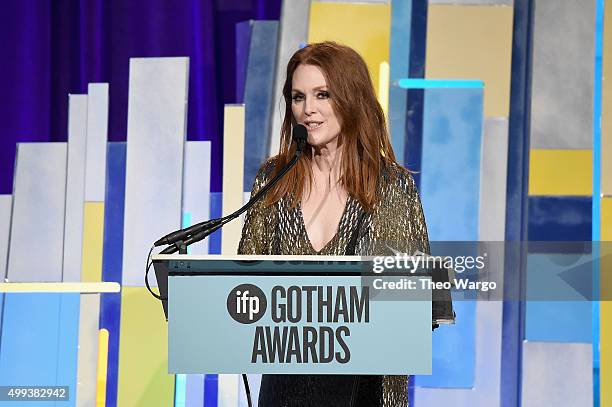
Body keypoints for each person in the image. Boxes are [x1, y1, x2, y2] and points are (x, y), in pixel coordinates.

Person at [238, 41, 429, 407]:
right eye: (297, 97)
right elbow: (247, 286)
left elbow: (407, 303)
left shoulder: (390, 187)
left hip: (366, 387)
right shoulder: (274, 180)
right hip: (285, 385)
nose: (307, 110)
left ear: (350, 98)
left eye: (322, 94)